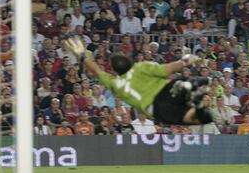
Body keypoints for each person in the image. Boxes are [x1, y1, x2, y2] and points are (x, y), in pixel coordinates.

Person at [65, 38, 213, 125]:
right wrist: (185, 61)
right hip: (166, 92)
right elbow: (168, 69)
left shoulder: (114, 83)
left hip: (153, 109)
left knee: (183, 117)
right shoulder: (140, 67)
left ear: (115, 71)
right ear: (129, 62)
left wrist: (82, 55)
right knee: (185, 82)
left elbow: (96, 70)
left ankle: (193, 112)